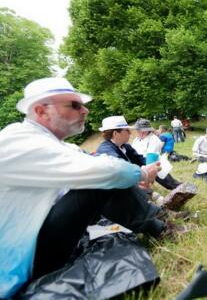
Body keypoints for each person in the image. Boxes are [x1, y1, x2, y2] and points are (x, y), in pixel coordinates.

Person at [0, 78, 167, 298]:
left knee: (104, 174)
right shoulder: (18, 142)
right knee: (101, 179)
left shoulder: (48, 143)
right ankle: (160, 227)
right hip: (20, 265)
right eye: (74, 105)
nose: (85, 110)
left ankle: (158, 218)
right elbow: (109, 171)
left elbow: (97, 163)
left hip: (35, 247)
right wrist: (143, 173)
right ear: (42, 111)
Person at [97, 117, 182, 191]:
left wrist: (152, 168)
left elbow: (140, 159)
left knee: (154, 167)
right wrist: (144, 174)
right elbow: (120, 169)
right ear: (115, 133)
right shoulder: (106, 150)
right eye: (127, 130)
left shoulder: (126, 146)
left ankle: (177, 186)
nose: (130, 133)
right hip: (119, 188)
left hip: (133, 177)